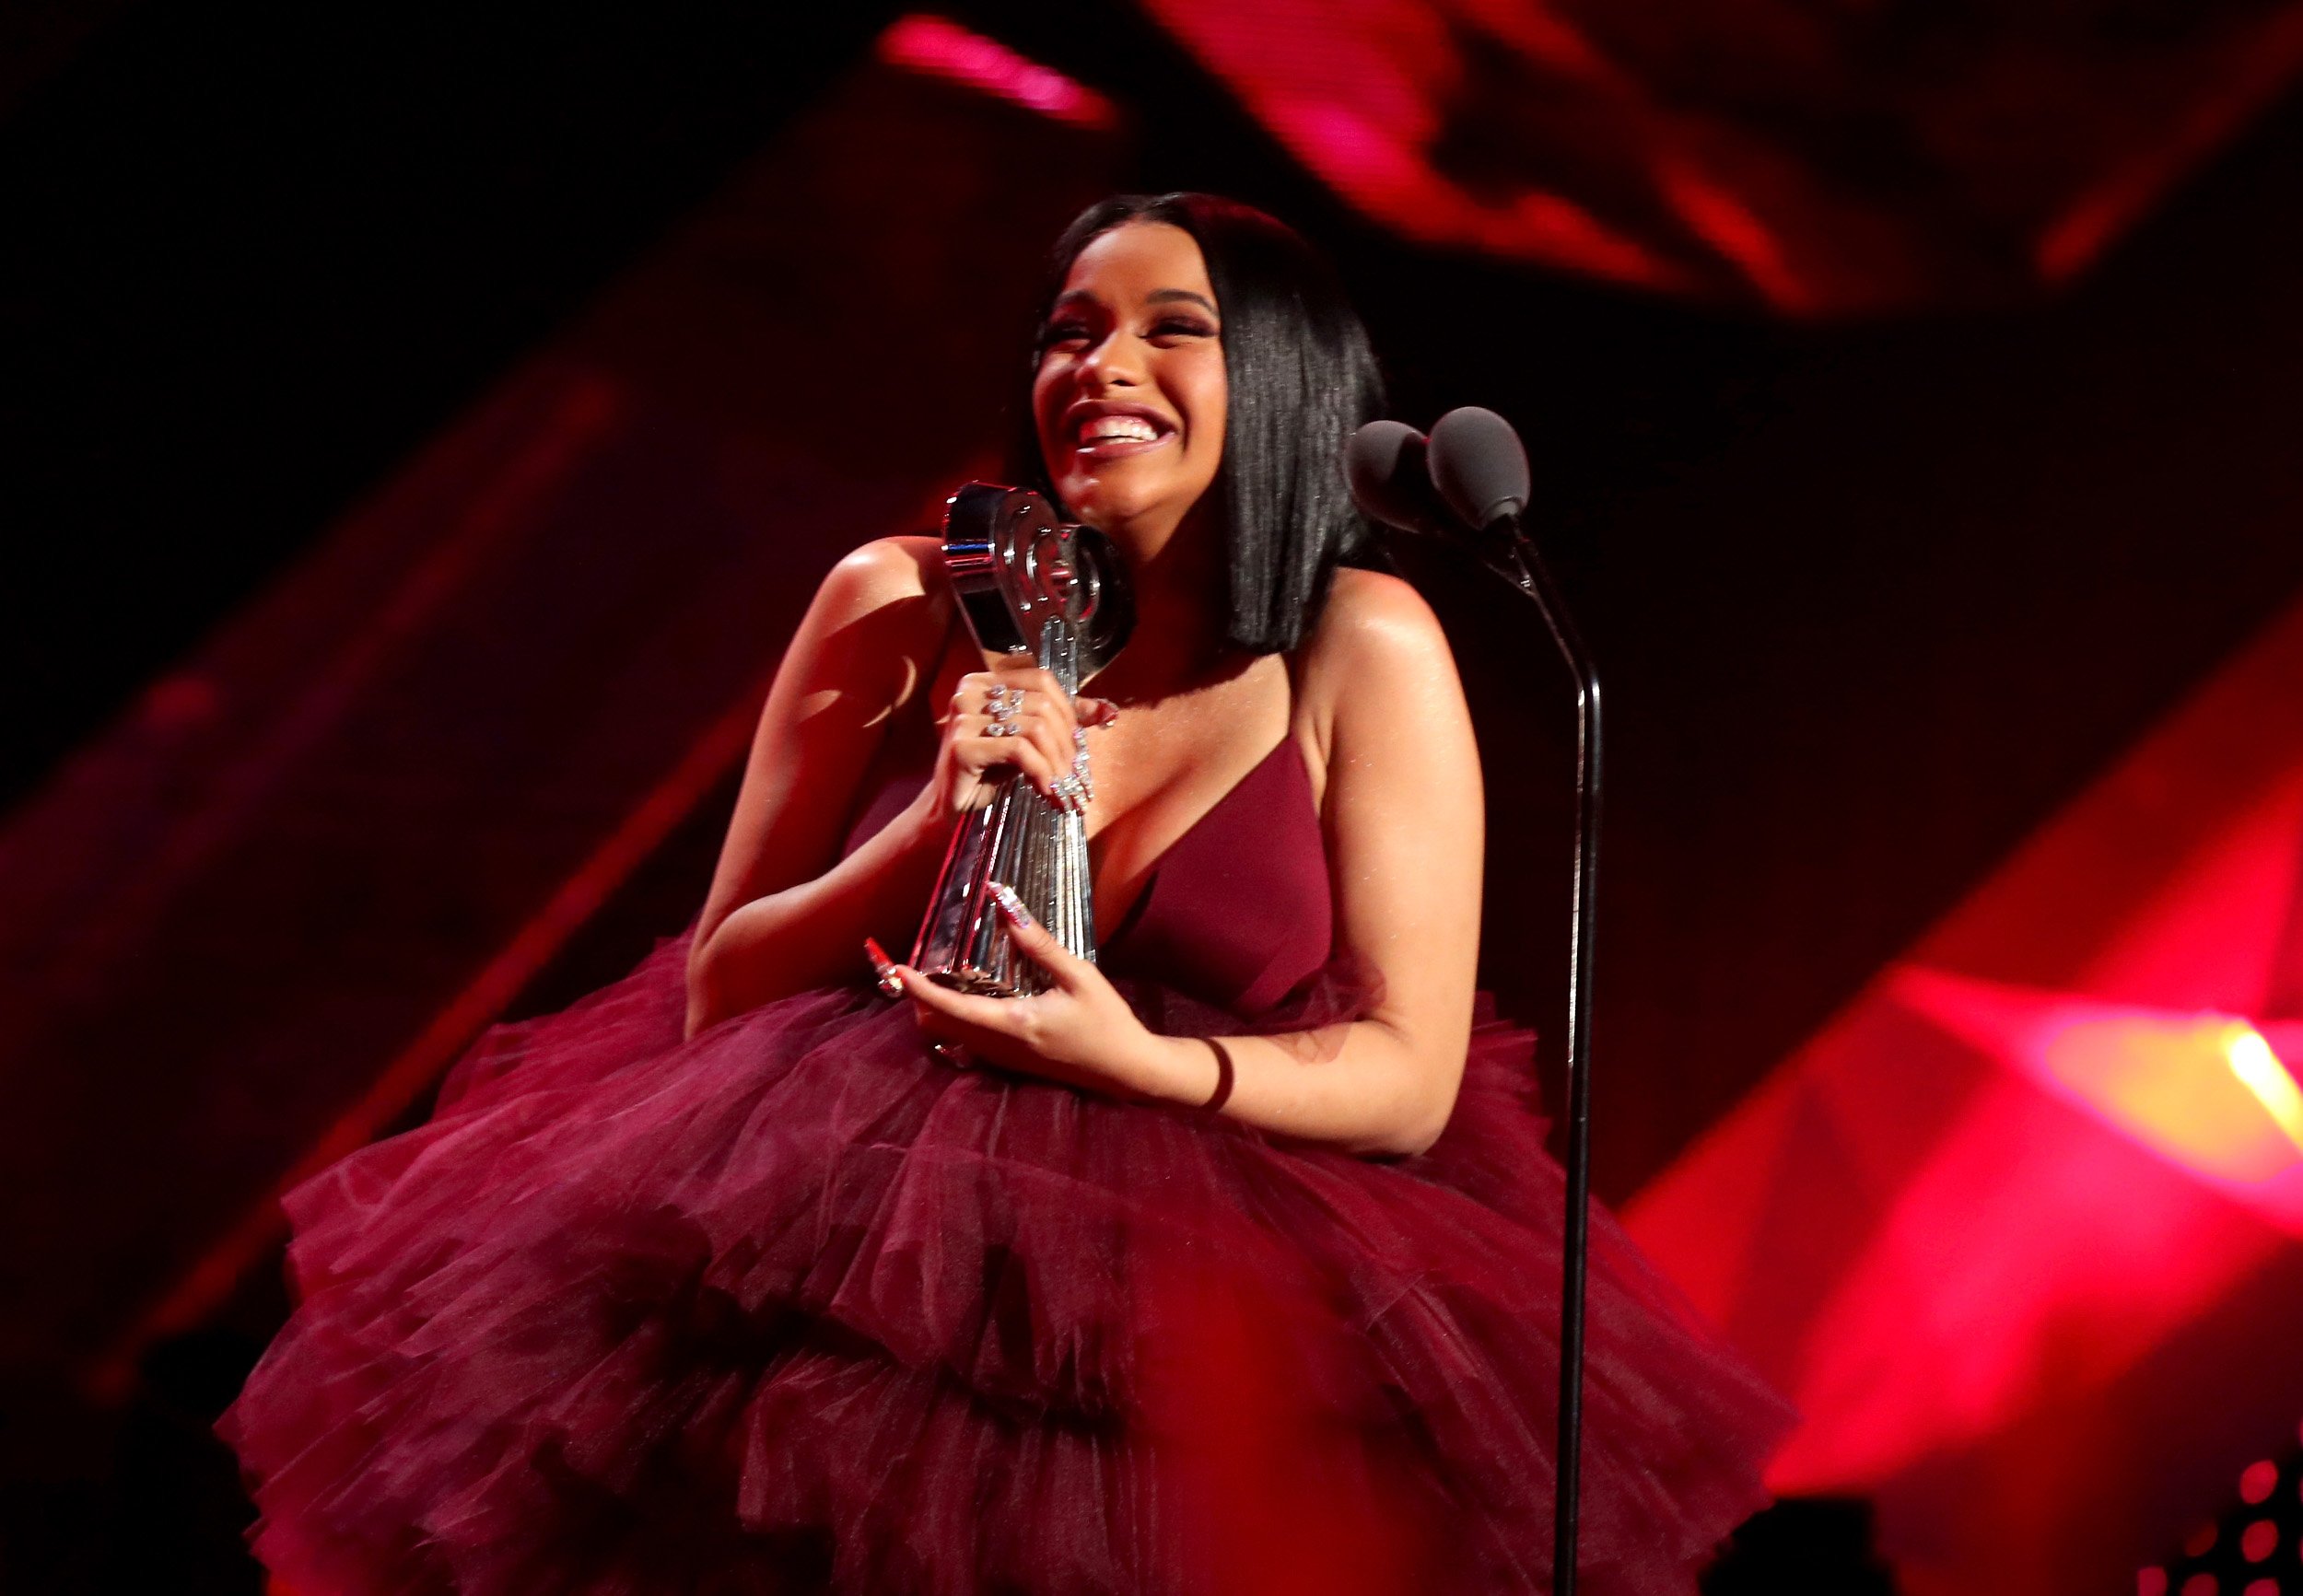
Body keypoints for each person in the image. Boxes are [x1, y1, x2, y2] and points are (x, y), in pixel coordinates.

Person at [224, 192, 1791, 1595]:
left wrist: (1151, 1065)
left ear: (1289, 385)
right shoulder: (903, 599)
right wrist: (931, 827)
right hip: (835, 1274)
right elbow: (725, 986)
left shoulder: (1359, 642)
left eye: (1172, 331)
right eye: (1070, 333)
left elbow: (1407, 1073)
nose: (1100, 368)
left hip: (1201, 1323)